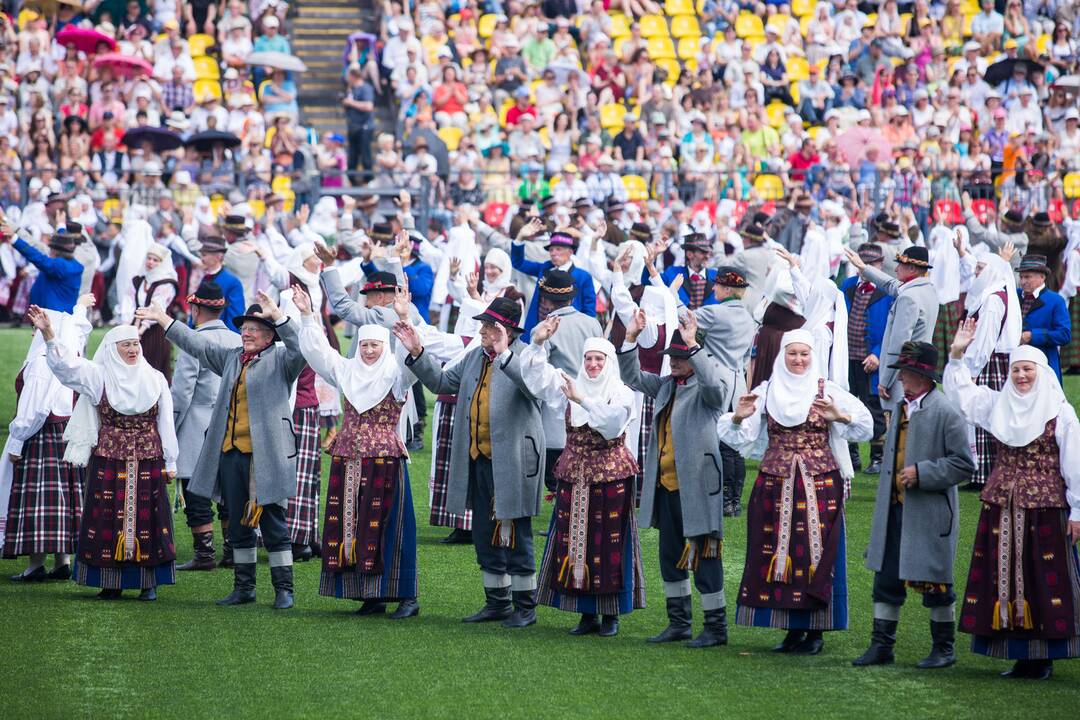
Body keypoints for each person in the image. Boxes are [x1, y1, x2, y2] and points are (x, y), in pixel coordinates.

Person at [140, 291, 306, 610]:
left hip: (266, 456)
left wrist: (280, 317)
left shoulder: (283, 359)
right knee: (239, 525)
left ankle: (284, 589)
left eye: (254, 329)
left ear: (270, 336)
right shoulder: (232, 358)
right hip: (231, 454)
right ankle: (244, 587)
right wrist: (164, 320)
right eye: (243, 329)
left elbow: (300, 348)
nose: (246, 333)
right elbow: (197, 345)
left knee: (272, 521)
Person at [718, 330, 872, 655]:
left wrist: (839, 417)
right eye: (792, 354)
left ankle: (816, 630)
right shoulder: (767, 391)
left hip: (819, 484)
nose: (799, 360)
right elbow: (740, 437)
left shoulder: (826, 390)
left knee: (816, 553)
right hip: (775, 483)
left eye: (804, 354)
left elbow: (866, 426)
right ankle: (790, 628)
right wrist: (737, 417)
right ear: (782, 356)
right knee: (779, 552)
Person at [398, 297, 546, 629]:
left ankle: (525, 606)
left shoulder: (527, 358)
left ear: (504, 331)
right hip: (479, 459)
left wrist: (506, 354)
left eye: (488, 326)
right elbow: (441, 383)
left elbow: (534, 388)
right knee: (482, 530)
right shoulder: (476, 357)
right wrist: (418, 353)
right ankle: (497, 602)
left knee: (517, 533)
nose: (481, 331)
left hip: (515, 461)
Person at [946, 323, 1080, 680]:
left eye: (1027, 369)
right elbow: (961, 395)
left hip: (1046, 508)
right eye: (1016, 369)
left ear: (1042, 373)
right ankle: (1019, 652)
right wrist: (957, 354)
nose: (1021, 375)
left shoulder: (1060, 413)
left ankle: (1045, 655)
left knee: (1043, 578)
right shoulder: (996, 404)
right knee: (1003, 575)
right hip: (1001, 506)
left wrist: (1078, 510)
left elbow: (1074, 463)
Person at [293, 288, 419, 620]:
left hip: (385, 461)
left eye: (374, 344)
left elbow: (413, 363)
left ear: (384, 346)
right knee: (355, 526)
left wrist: (405, 319)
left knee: (393, 528)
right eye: (364, 344)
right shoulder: (347, 370)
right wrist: (308, 314)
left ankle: (407, 596)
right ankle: (371, 595)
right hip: (348, 459)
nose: (368, 350)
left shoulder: (395, 373)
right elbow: (318, 352)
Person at [36, 311, 178, 601]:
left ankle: (148, 583)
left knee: (149, 519)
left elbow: (166, 422)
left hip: (147, 459)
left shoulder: (155, 378)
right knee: (107, 518)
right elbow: (65, 367)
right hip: (108, 459)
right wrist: (49, 334)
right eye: (125, 345)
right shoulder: (98, 376)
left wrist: (172, 461)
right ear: (112, 349)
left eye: (135, 344)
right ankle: (110, 582)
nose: (132, 349)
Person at [853, 342, 975, 670]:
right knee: (886, 580)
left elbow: (964, 465)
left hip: (929, 515)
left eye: (904, 373)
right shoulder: (903, 405)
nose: (899, 379)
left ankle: (944, 649)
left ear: (920, 375)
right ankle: (881, 646)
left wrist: (922, 473)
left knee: (937, 582)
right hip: (895, 511)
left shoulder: (946, 412)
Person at [619, 311, 732, 648]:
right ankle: (679, 623)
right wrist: (630, 339)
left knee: (705, 558)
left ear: (696, 358)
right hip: (667, 487)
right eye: (672, 358)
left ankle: (716, 628)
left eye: (681, 358)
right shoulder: (668, 385)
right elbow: (632, 377)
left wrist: (694, 344)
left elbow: (715, 386)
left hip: (697, 487)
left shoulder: (710, 386)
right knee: (670, 556)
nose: (674, 364)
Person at [522, 321, 643, 637]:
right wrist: (537, 342)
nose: (592, 365)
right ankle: (585, 613)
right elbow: (537, 378)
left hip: (611, 478)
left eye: (599, 359)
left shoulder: (622, 393)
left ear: (609, 363)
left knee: (608, 546)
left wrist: (582, 400)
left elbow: (612, 425)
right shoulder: (571, 384)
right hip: (574, 477)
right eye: (588, 359)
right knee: (576, 543)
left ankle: (610, 614)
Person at [3, 297, 92, 581]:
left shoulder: (42, 361)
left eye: (38, 326)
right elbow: (77, 327)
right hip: (66, 432)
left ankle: (35, 564)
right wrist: (79, 307)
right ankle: (62, 561)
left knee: (39, 498)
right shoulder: (70, 354)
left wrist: (16, 442)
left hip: (41, 434)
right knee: (64, 497)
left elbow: (34, 406)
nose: (33, 332)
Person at [170, 281, 241, 571]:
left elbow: (182, 392)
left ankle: (204, 554)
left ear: (196, 308)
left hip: (197, 420)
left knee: (195, 489)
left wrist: (171, 428)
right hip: (231, 422)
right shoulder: (239, 340)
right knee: (229, 488)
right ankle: (232, 550)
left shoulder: (192, 340)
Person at [686, 266, 755, 517]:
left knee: (722, 442)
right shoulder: (748, 317)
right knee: (734, 444)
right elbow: (747, 357)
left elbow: (684, 317)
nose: (712, 288)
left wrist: (665, 291)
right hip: (738, 381)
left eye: (716, 285)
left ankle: (726, 499)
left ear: (727, 289)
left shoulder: (716, 312)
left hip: (718, 380)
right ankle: (734, 498)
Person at [529, 269, 603, 493]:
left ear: (546, 299)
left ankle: (561, 521)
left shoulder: (543, 329)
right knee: (583, 464)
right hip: (589, 399)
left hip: (557, 403)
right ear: (571, 298)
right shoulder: (592, 324)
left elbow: (538, 373)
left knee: (557, 471)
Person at [844, 246, 939, 410]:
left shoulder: (908, 297)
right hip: (920, 370)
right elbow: (889, 284)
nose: (895, 269)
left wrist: (885, 380)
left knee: (899, 425)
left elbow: (899, 344)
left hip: (905, 373)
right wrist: (863, 267)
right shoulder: (927, 290)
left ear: (911, 268)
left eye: (899, 265)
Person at [962, 250, 1022, 488]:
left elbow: (986, 339)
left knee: (984, 412)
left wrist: (974, 369)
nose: (976, 273)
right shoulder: (995, 293)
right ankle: (984, 471)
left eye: (980, 269)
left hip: (989, 362)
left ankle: (984, 472)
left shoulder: (993, 300)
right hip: (993, 360)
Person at [841, 244, 894, 475]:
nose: (866, 268)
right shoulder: (848, 286)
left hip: (872, 357)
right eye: (862, 263)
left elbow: (893, 328)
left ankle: (877, 457)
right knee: (847, 404)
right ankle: (851, 454)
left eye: (872, 264)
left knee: (874, 407)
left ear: (880, 265)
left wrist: (878, 353)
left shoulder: (889, 290)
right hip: (848, 356)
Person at [510, 224, 597, 335]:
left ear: (570, 252)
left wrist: (584, 333)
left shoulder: (583, 276)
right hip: (538, 328)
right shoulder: (545, 267)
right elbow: (518, 263)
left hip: (568, 332)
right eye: (551, 249)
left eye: (558, 249)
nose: (553, 253)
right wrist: (520, 238)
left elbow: (589, 311)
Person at [1016, 254, 1071, 383]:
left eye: (1027, 277)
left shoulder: (1056, 300)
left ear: (1042, 277)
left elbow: (1064, 335)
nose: (1023, 281)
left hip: (1044, 362)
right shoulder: (1015, 295)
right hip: (1016, 361)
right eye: (1021, 277)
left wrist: (1032, 336)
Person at [5, 221, 82, 312]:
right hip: (59, 316)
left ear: (55, 251)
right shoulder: (74, 265)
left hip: (53, 319)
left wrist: (15, 239)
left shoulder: (59, 266)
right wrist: (61, 227)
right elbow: (63, 243)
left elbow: (37, 257)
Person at [131, 243, 179, 380]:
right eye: (149, 258)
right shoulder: (139, 280)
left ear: (162, 263)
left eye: (155, 260)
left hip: (156, 329)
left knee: (153, 369)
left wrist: (140, 330)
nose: (150, 262)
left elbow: (157, 308)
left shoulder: (167, 283)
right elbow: (129, 302)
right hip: (136, 325)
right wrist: (131, 327)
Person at [196, 234, 245, 332]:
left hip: (220, 339)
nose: (202, 259)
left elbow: (234, 318)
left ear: (217, 257)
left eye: (204, 255)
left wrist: (227, 342)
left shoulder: (233, 282)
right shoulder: (205, 278)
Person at [661, 234, 719, 310]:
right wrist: (652, 260)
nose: (707, 256)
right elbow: (648, 281)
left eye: (708, 252)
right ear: (689, 254)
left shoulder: (716, 276)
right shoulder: (673, 273)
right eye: (703, 252)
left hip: (709, 321)